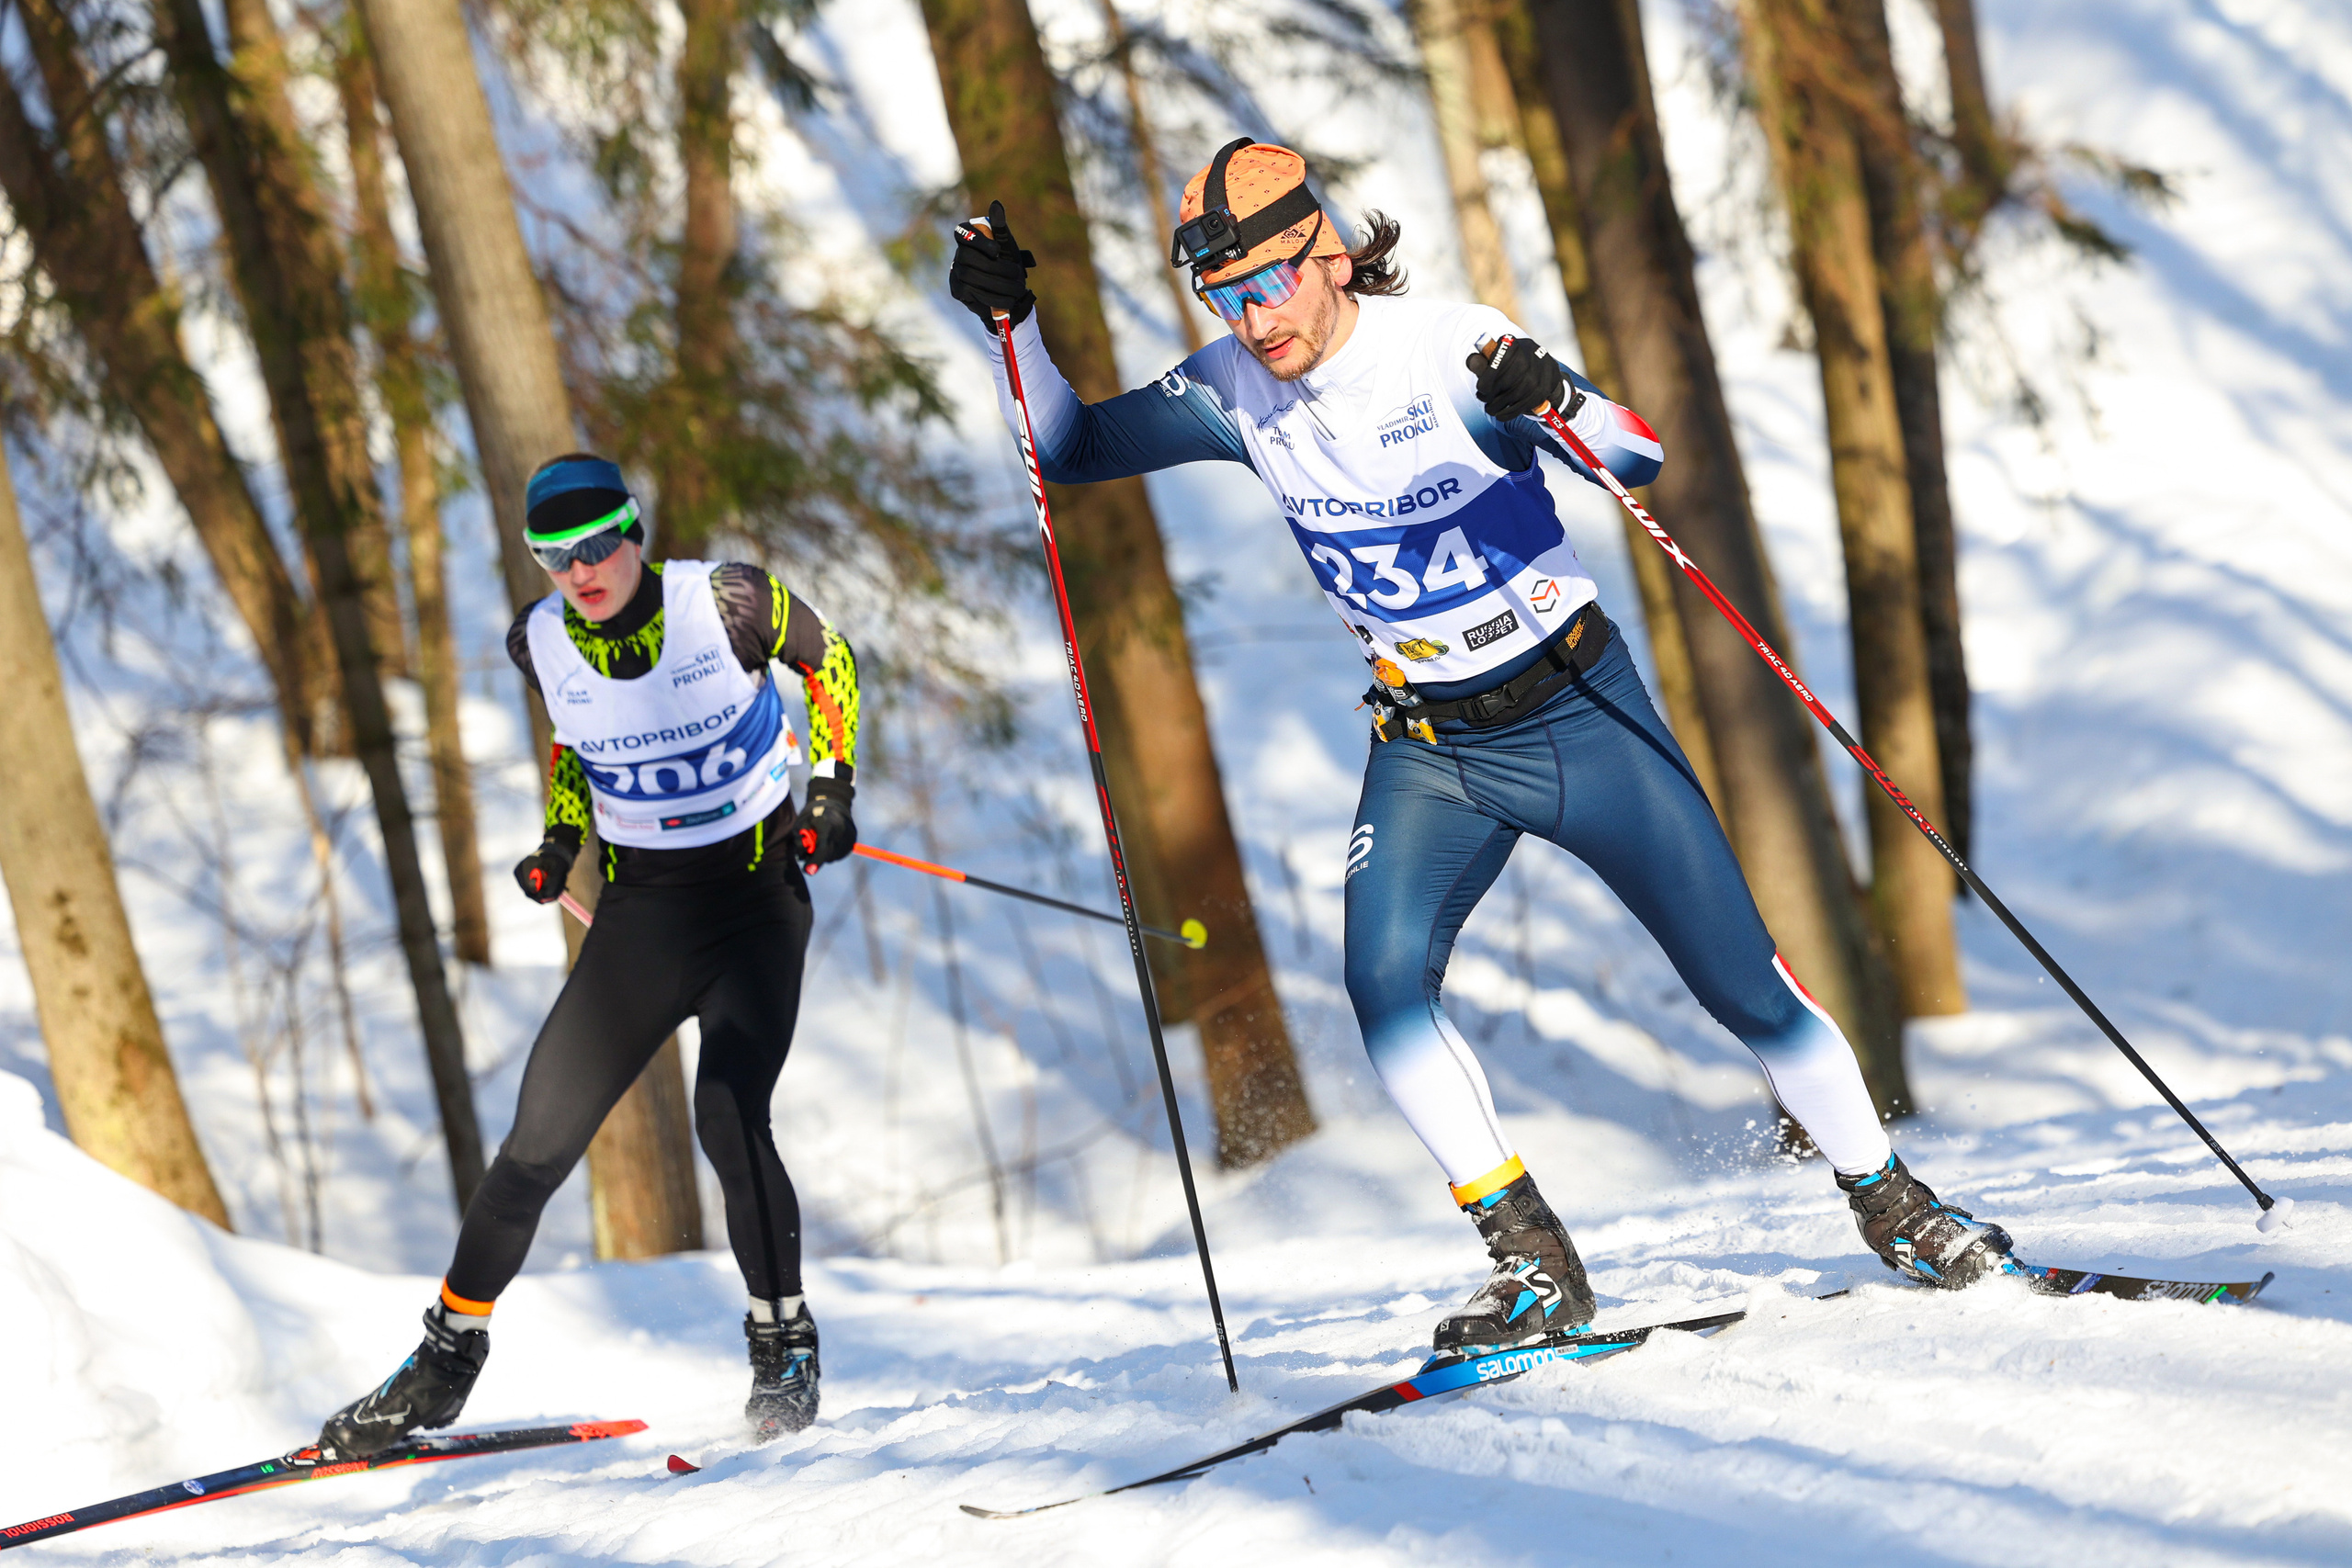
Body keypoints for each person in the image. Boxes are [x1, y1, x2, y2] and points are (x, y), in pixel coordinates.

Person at [947, 141, 2017, 1359]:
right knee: (1385, 987)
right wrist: (1013, 325)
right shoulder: (1234, 390)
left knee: (1742, 984)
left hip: (1578, 709)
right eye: (1224, 293)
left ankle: (1894, 1201)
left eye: (1270, 282)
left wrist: (1549, 396)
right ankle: (1534, 1263)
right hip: (1432, 746)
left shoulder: (1445, 351)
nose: (1255, 317)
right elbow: (1071, 445)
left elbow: (1637, 454)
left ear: (1331, 255)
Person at [318, 454, 862, 1454]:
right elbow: (576, 744)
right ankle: (442, 1362)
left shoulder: (729, 599)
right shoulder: (538, 641)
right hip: (644, 915)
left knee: (728, 1115)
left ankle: (782, 1348)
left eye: (599, 544)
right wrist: (560, 842)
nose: (582, 570)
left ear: (634, 533)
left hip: (755, 899)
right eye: (555, 557)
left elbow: (830, 664)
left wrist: (831, 788)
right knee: (533, 1146)